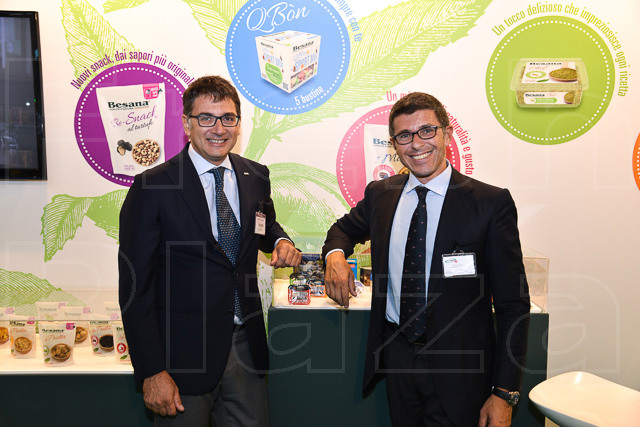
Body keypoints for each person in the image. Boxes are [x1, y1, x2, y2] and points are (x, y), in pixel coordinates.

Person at [322, 92, 530, 427]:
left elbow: (512, 304)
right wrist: (335, 258)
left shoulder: (490, 203)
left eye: (427, 131)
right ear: (394, 144)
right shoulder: (381, 195)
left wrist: (505, 393)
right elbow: (341, 231)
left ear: (447, 133)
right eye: (404, 135)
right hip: (398, 358)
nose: (416, 144)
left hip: (461, 371)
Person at [119, 75, 301, 426]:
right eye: (206, 118)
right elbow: (134, 287)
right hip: (180, 358)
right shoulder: (153, 186)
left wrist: (281, 241)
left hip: (245, 348)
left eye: (228, 118)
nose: (218, 129)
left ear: (238, 123)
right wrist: (152, 370)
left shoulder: (255, 175)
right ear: (187, 124)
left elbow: (264, 225)